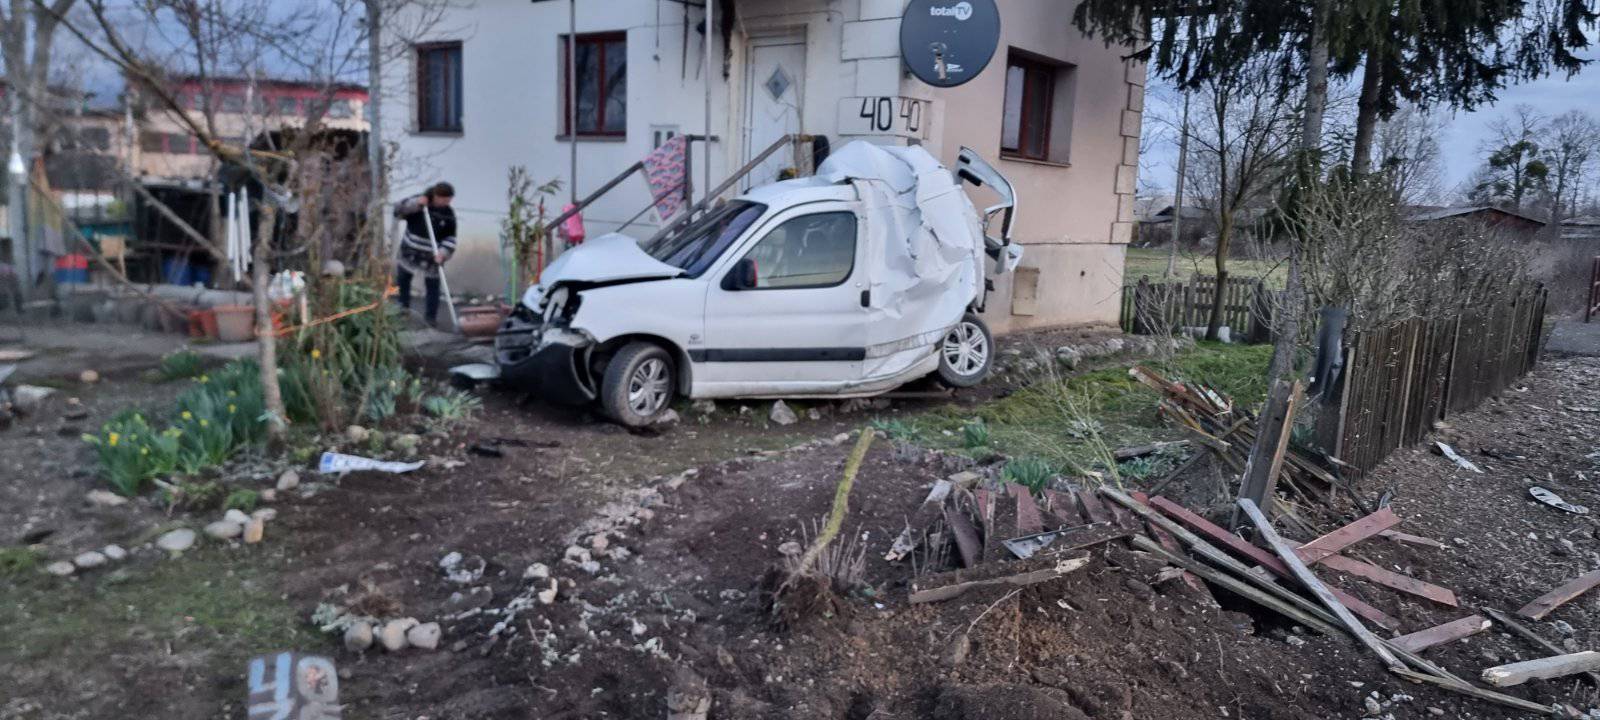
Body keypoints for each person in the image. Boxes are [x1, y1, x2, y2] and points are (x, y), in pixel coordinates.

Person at [394, 182, 458, 326]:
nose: (446, 203)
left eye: (449, 201)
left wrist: (443, 253)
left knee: (433, 287)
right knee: (403, 282)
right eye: (444, 200)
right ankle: (402, 312)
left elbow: (451, 238)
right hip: (410, 251)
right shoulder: (420, 202)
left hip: (432, 256)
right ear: (435, 196)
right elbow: (397, 210)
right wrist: (416, 203)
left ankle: (431, 319)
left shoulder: (448, 214)